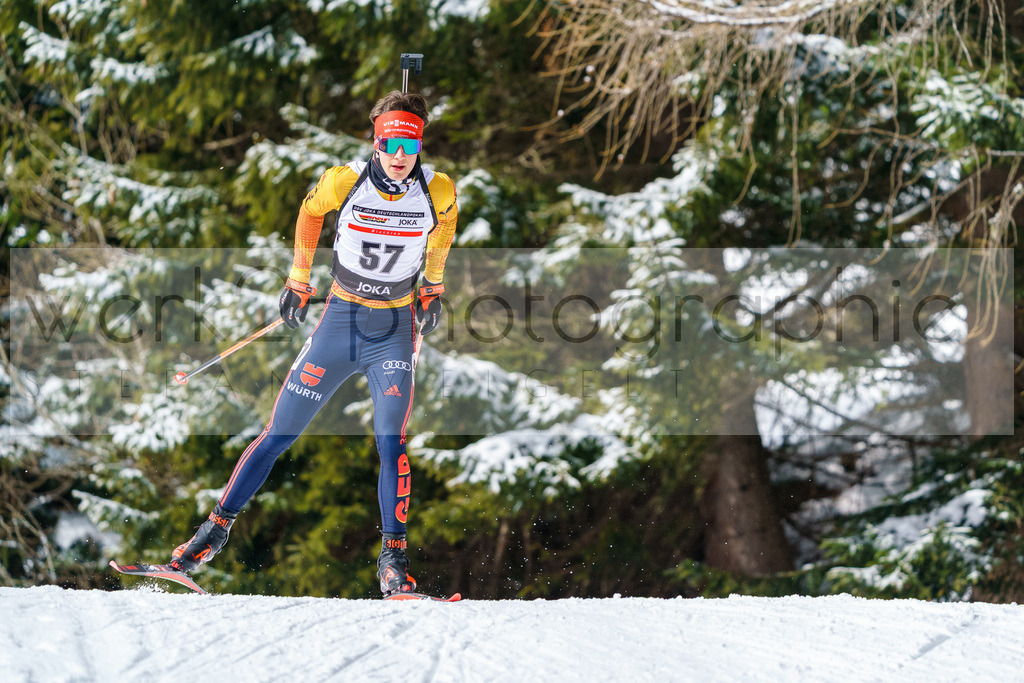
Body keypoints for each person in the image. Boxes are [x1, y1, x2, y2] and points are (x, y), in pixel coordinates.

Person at [168, 91, 458, 597]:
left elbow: (442, 235)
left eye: (408, 144)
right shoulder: (346, 180)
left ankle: (393, 565)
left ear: (419, 145)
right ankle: (208, 537)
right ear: (376, 139)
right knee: (279, 433)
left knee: (391, 440)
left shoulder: (438, 191)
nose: (398, 154)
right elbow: (309, 214)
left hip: (393, 331)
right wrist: (298, 281)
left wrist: (432, 286)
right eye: (389, 142)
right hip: (340, 323)